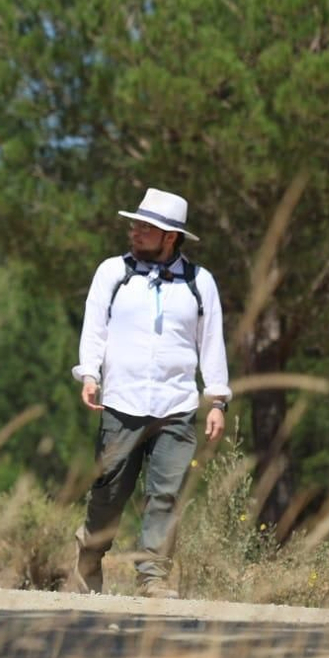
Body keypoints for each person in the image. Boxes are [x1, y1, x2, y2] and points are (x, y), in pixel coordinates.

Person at [72, 188, 229, 599]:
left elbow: (211, 342)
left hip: (176, 405)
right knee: (109, 492)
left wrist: (217, 400)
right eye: (135, 224)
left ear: (170, 237)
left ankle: (153, 575)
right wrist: (89, 374)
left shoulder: (199, 283)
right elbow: (94, 328)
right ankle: (89, 551)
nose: (135, 231)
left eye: (146, 227)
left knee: (166, 494)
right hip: (121, 402)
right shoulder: (112, 272)